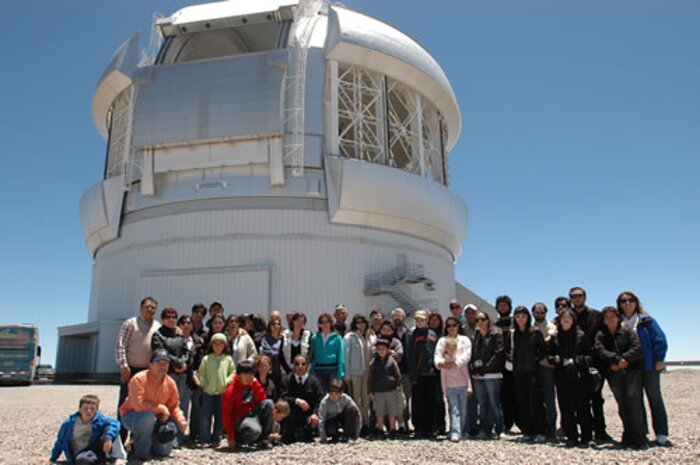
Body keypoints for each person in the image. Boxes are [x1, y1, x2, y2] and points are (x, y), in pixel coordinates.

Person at [617, 291, 672, 447]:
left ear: (636, 302)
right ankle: (641, 433)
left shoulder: (646, 320)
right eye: (623, 301)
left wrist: (660, 359)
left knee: (654, 396)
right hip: (630, 366)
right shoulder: (618, 321)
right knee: (634, 399)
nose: (627, 303)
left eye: (630, 300)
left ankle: (661, 433)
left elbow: (659, 339)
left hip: (649, 364)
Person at [119, 349, 188, 460]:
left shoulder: (170, 383)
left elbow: (174, 406)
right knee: (147, 417)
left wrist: (181, 420)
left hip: (157, 418)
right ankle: (141, 453)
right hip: (132, 415)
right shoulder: (138, 379)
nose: (162, 366)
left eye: (165, 363)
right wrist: (160, 408)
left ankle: (137, 443)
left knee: (163, 452)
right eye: (158, 363)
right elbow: (138, 405)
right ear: (150, 365)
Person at [594, 306, 647, 449]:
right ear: (603, 320)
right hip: (613, 372)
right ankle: (628, 435)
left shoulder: (627, 331)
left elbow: (637, 348)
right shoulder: (601, 334)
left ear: (618, 317)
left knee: (634, 403)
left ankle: (640, 438)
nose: (610, 319)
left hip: (632, 371)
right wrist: (616, 360)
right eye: (607, 317)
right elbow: (600, 350)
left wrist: (624, 360)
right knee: (622, 404)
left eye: (613, 316)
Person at [114, 297, 161, 441]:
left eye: (153, 307)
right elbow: (120, 345)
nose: (150, 310)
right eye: (147, 307)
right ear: (141, 308)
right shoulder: (130, 323)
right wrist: (124, 366)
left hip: (147, 372)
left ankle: (137, 440)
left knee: (143, 405)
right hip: (131, 369)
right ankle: (120, 439)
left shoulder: (157, 326)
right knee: (126, 403)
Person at [570, 286, 612, 443]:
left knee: (596, 398)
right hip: (577, 362)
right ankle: (585, 432)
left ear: (585, 297)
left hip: (595, 362)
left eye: (579, 295)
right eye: (574, 296)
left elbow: (604, 334)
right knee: (580, 400)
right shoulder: (568, 315)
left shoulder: (596, 315)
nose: (577, 298)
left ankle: (601, 431)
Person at [547, 309, 593, 447]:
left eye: (569, 317)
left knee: (582, 407)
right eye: (563, 318)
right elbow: (549, 355)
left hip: (579, 376)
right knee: (566, 407)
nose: (566, 320)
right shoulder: (555, 338)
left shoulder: (581, 335)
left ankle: (586, 437)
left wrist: (579, 360)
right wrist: (553, 358)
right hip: (562, 376)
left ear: (573, 320)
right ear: (559, 321)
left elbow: (590, 355)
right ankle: (571, 436)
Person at [507, 306, 547, 444]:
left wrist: (535, 361)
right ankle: (528, 432)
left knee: (536, 403)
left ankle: (541, 432)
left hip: (534, 374)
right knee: (523, 403)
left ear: (528, 317)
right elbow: (508, 350)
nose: (520, 319)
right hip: (519, 374)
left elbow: (543, 350)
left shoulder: (535, 332)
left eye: (523, 316)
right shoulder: (513, 334)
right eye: (517, 316)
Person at [49, 394, 123, 465]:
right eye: (85, 408)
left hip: (95, 448)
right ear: (80, 409)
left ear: (97, 410)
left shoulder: (99, 419)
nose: (89, 411)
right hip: (81, 453)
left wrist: (108, 438)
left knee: (111, 430)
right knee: (82, 460)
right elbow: (60, 442)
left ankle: (118, 458)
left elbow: (116, 423)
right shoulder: (69, 424)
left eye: (92, 409)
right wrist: (52, 459)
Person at [221, 360, 274, 450]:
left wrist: (256, 385)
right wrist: (231, 437)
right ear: (239, 375)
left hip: (252, 413)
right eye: (246, 374)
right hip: (239, 418)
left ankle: (264, 439)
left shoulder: (253, 383)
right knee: (255, 431)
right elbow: (226, 414)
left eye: (251, 374)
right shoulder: (231, 391)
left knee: (269, 403)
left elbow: (262, 400)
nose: (249, 377)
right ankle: (239, 439)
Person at [470, 312, 505, 440]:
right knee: (482, 404)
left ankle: (501, 429)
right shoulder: (476, 336)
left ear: (488, 321)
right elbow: (473, 354)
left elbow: (498, 353)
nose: (480, 322)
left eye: (483, 319)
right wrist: (473, 368)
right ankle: (485, 430)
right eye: (477, 320)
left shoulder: (496, 333)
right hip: (478, 376)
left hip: (492, 374)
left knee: (494, 403)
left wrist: (486, 368)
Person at [197, 333, 235, 448]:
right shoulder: (206, 359)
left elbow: (233, 372)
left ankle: (216, 438)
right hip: (208, 392)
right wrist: (204, 383)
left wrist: (227, 381)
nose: (218, 346)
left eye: (220, 344)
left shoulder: (227, 359)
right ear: (211, 345)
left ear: (225, 345)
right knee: (205, 417)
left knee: (220, 417)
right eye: (215, 343)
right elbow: (201, 373)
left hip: (222, 392)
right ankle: (204, 438)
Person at [406, 309, 440, 438]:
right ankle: (419, 428)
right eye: (417, 320)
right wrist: (413, 374)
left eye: (422, 319)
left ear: (427, 320)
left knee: (431, 401)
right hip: (418, 374)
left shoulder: (433, 334)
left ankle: (431, 428)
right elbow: (410, 355)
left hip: (431, 373)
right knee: (417, 402)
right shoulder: (411, 335)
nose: (420, 322)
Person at [280, 354, 324, 443]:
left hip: (308, 415)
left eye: (303, 364)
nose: (300, 366)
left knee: (307, 435)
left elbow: (320, 399)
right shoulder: (286, 380)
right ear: (293, 366)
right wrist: (297, 401)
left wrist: (315, 414)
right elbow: (283, 397)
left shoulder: (314, 382)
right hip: (291, 416)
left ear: (307, 366)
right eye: (297, 364)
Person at [344, 314, 374, 432]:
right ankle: (357, 424)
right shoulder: (350, 337)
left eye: (363, 322)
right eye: (358, 322)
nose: (360, 324)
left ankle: (366, 423)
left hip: (368, 372)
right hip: (355, 373)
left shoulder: (371, 336)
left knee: (366, 399)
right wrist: (347, 374)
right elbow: (346, 357)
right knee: (356, 399)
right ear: (354, 324)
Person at [368, 339, 404, 438]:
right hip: (378, 390)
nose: (381, 351)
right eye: (379, 349)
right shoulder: (373, 362)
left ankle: (392, 429)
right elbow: (370, 378)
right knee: (379, 411)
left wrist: (398, 385)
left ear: (388, 350)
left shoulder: (392, 361)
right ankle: (380, 429)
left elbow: (398, 375)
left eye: (383, 349)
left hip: (391, 389)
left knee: (392, 411)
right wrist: (370, 391)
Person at [438, 338, 472, 442]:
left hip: (462, 387)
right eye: (449, 348)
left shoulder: (459, 361)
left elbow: (466, 374)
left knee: (463, 410)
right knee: (454, 410)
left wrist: (469, 386)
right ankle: (455, 432)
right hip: (451, 389)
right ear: (446, 349)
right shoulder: (443, 362)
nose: (452, 350)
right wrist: (445, 391)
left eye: (454, 348)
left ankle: (462, 430)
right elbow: (443, 378)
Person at [177, 314, 204, 445]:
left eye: (189, 322)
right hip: (182, 376)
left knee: (197, 407)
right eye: (183, 322)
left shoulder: (198, 341)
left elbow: (201, 358)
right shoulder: (175, 340)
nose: (186, 325)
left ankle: (194, 435)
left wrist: (198, 374)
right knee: (182, 406)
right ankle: (179, 435)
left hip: (196, 376)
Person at [531, 302, 557, 437]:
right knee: (535, 399)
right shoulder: (530, 327)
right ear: (533, 313)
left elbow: (548, 341)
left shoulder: (551, 327)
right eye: (537, 312)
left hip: (546, 366)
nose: (539, 314)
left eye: (542, 312)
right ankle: (539, 427)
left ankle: (551, 428)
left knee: (549, 398)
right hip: (533, 367)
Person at [494, 295, 516, 434]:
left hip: (515, 364)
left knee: (516, 394)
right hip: (499, 365)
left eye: (505, 305)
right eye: (500, 305)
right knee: (503, 395)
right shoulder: (494, 325)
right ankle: (506, 424)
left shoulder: (516, 322)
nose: (503, 307)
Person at [310, 313, 346, 393]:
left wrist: (340, 375)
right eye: (322, 322)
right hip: (318, 371)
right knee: (320, 394)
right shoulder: (314, 338)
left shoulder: (337, 338)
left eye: (327, 322)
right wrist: (311, 371)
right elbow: (312, 356)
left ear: (331, 323)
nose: (325, 324)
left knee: (333, 394)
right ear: (319, 324)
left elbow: (341, 357)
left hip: (332, 370)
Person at [318, 379, 362, 443]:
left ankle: (349, 436)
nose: (333, 397)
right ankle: (336, 436)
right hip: (332, 421)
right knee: (330, 425)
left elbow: (357, 415)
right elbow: (321, 420)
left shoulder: (346, 399)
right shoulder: (324, 402)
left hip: (344, 420)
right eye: (331, 394)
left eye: (335, 394)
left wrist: (356, 434)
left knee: (352, 409)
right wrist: (323, 437)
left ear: (341, 393)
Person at [391, 307, 413, 432]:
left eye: (399, 315)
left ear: (404, 318)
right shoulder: (389, 334)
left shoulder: (409, 333)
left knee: (406, 398)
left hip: (406, 372)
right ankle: (394, 425)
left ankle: (405, 423)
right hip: (391, 372)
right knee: (393, 398)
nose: (397, 317)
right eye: (395, 315)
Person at [281, 311, 312, 375]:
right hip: (286, 371)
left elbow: (310, 354)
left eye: (302, 322)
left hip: (303, 371)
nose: (299, 323)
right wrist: (288, 370)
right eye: (298, 321)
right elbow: (280, 354)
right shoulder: (284, 335)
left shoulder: (308, 335)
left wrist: (304, 368)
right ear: (293, 321)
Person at [260, 315, 285, 389]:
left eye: (278, 324)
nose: (276, 326)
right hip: (270, 370)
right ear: (270, 326)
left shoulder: (283, 339)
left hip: (282, 370)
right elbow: (266, 351)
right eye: (273, 324)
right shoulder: (266, 339)